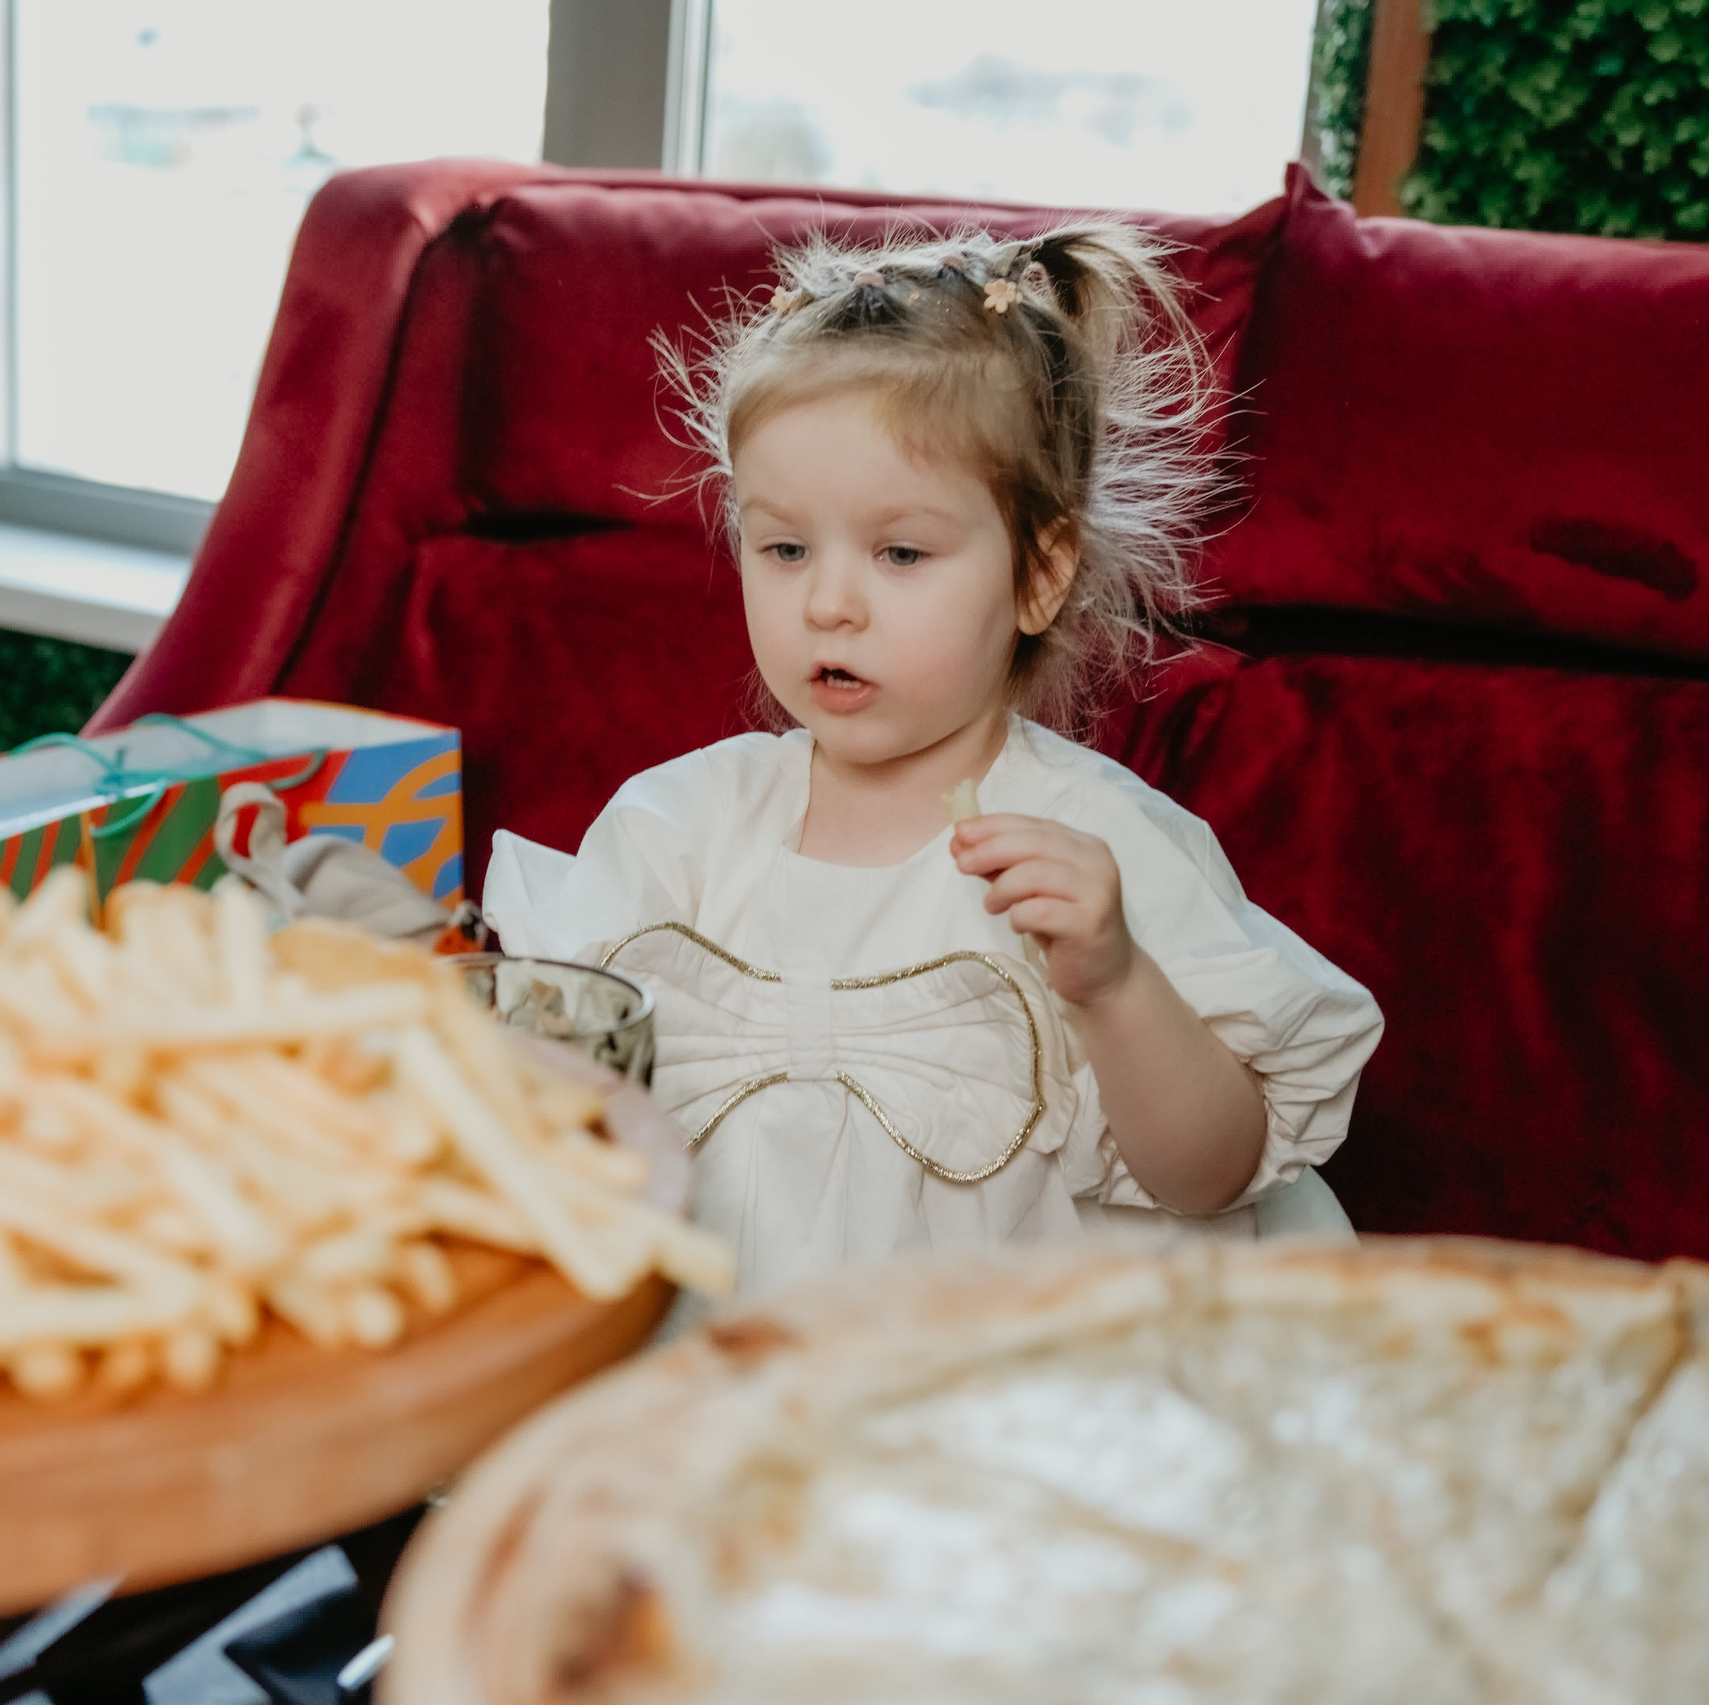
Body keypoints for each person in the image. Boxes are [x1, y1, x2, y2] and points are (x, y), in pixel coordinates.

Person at [483, 225, 1385, 1298]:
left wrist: (1116, 983)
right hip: (724, 1371)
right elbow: (554, 1112)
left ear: (1038, 577)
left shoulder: (1095, 850)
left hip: (986, 1389)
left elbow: (1210, 1177)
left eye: (899, 552)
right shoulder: (678, 830)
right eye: (782, 548)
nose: (827, 602)